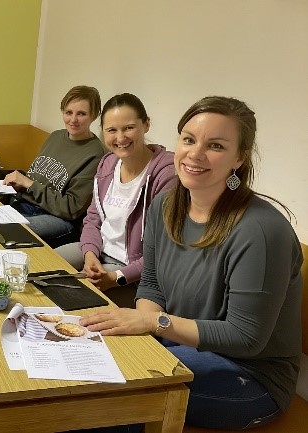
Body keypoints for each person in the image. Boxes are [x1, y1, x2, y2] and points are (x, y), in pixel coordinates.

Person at [80, 96, 302, 430]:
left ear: (239, 158)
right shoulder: (165, 206)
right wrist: (144, 330)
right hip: (179, 343)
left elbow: (246, 337)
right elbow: (152, 284)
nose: (195, 154)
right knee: (78, 364)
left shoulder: (262, 230)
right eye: (188, 139)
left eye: (215, 145)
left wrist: (154, 326)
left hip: (250, 375)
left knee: (97, 404)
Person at [55, 93, 176, 307]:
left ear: (146, 125)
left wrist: (116, 277)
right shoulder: (108, 163)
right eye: (112, 130)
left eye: (128, 128)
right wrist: (90, 254)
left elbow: (163, 251)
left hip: (136, 272)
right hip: (101, 252)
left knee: (70, 296)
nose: (120, 138)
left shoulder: (166, 174)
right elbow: (93, 219)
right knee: (44, 265)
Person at [3, 85, 105, 247]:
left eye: (81, 114)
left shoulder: (96, 154)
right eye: (68, 112)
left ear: (94, 116)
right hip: (23, 202)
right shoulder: (56, 136)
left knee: (5, 231)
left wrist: (29, 185)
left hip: (57, 218)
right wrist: (18, 184)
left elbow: (71, 208)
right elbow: (34, 178)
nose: (73, 120)